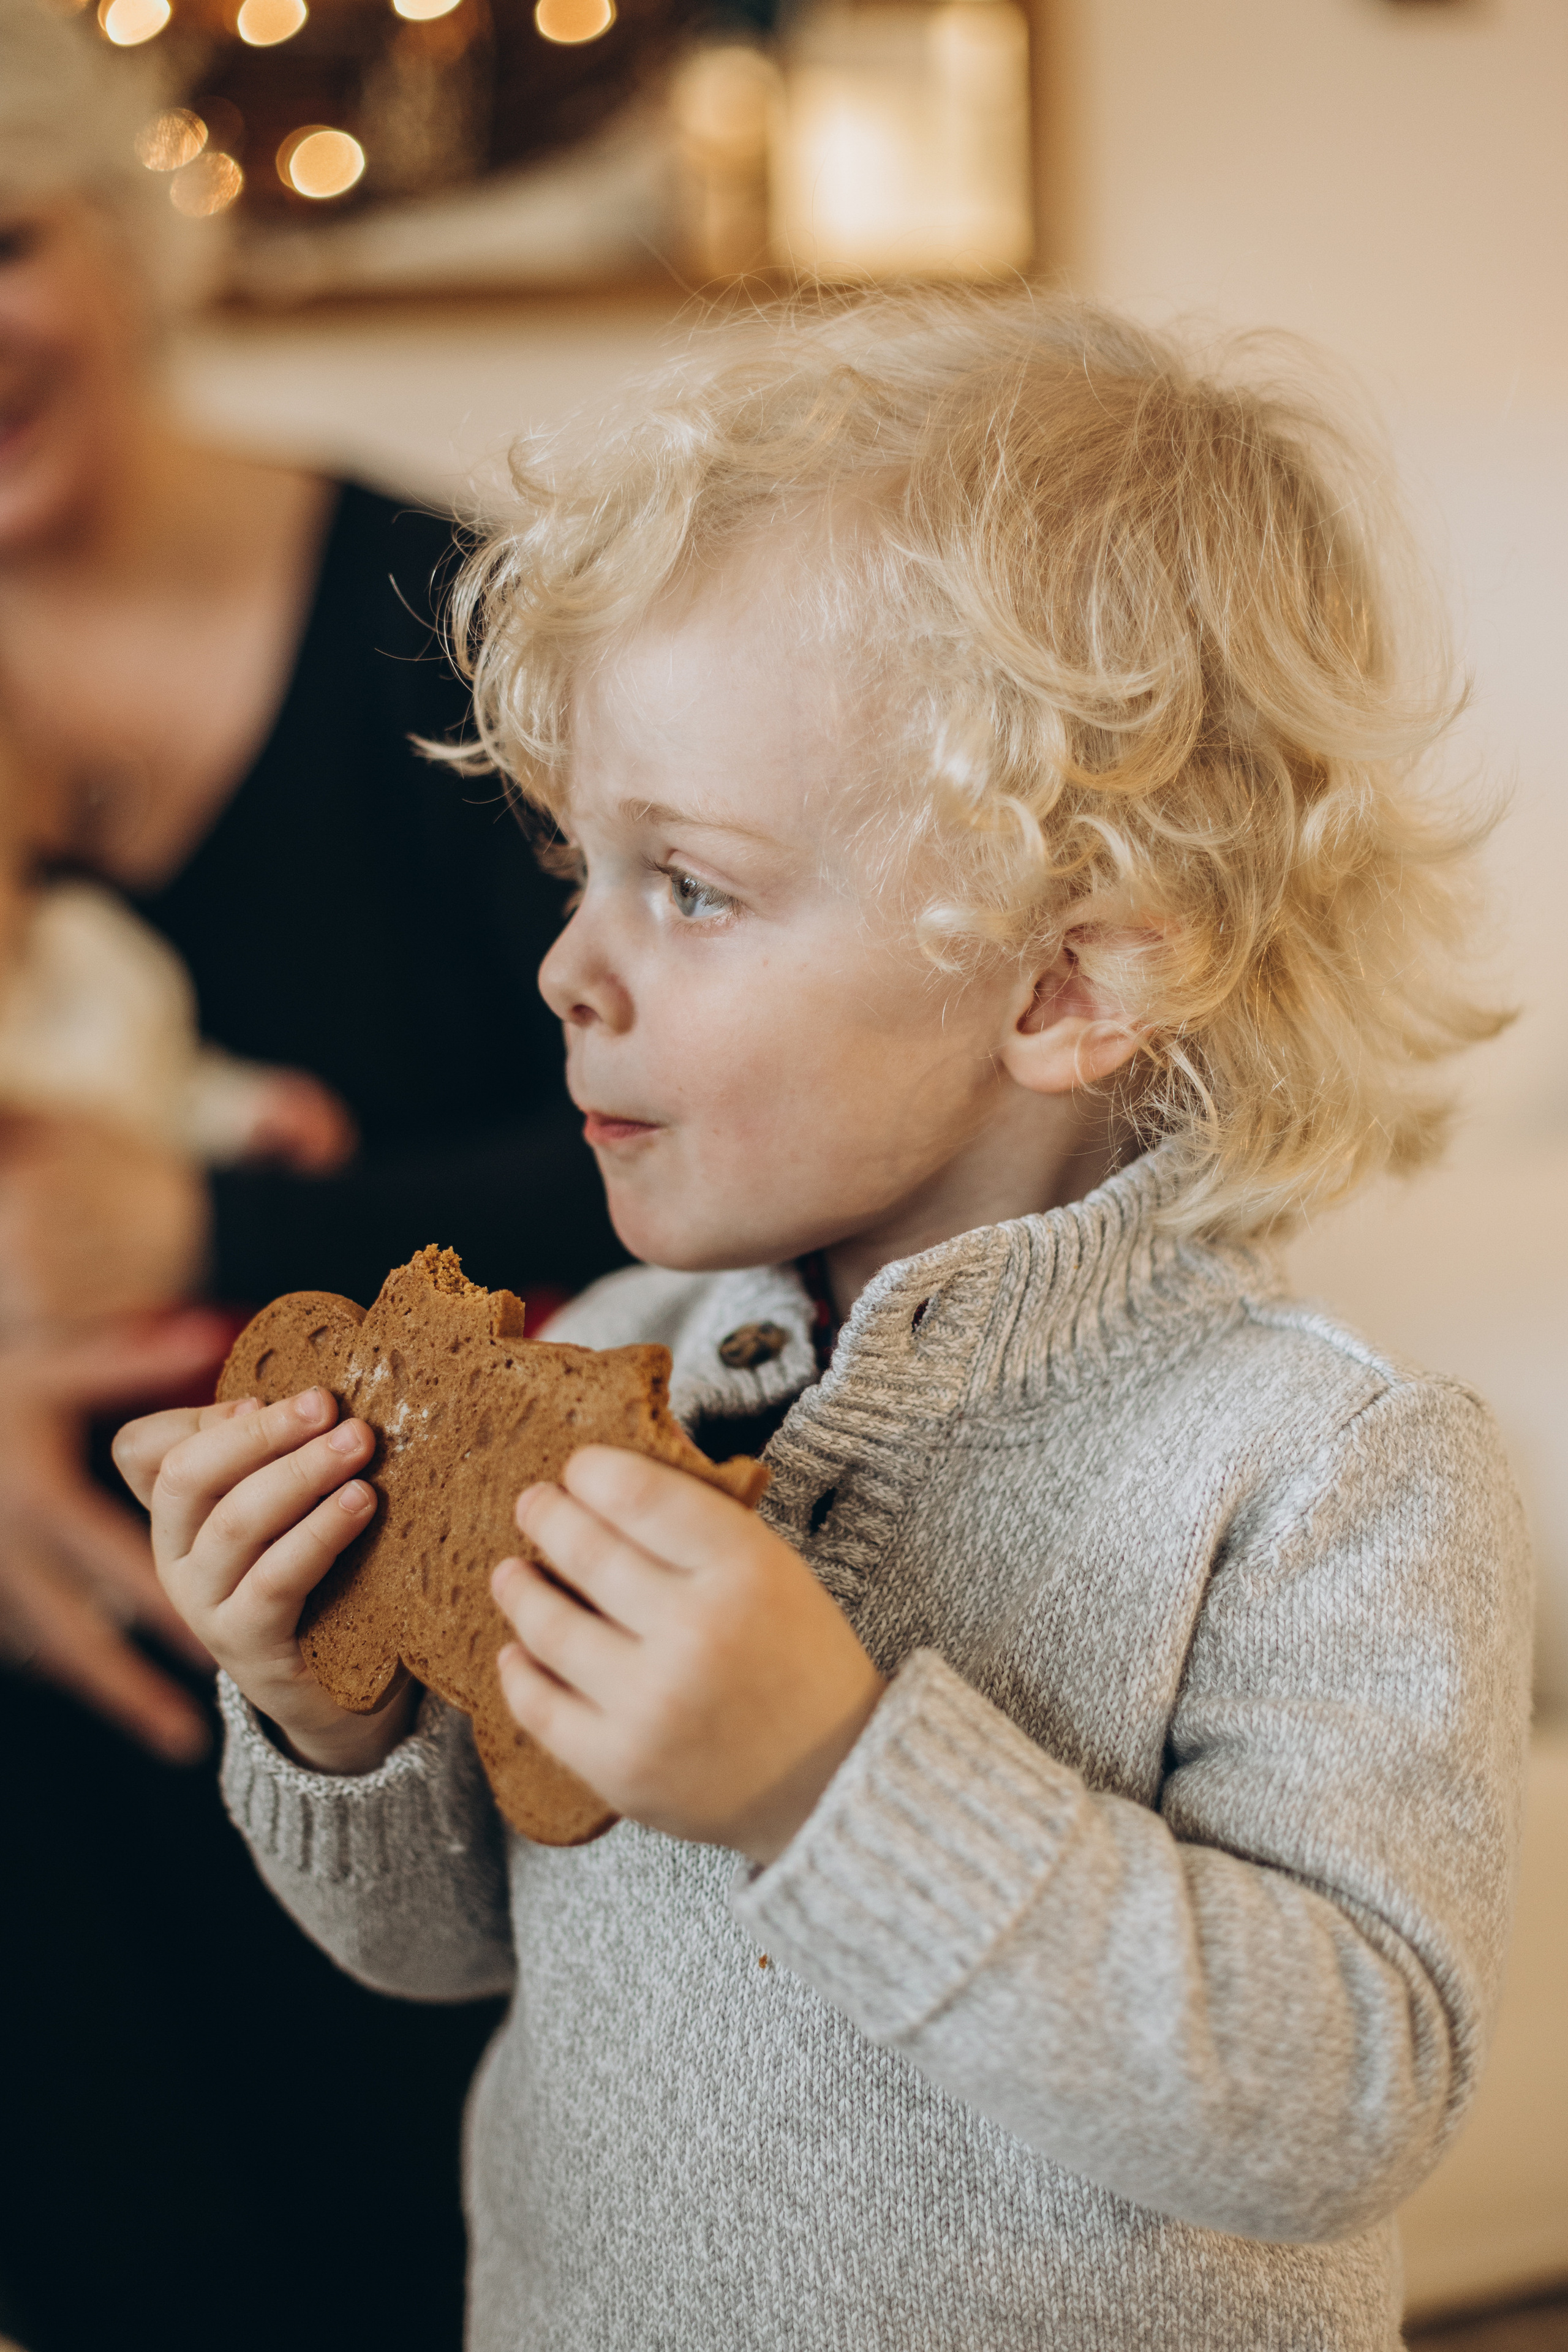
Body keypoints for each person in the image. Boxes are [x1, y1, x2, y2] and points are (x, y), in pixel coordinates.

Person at [118, 290, 1532, 2351]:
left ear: (1066, 982)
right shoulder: (608, 1349)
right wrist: (337, 1717)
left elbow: (1349, 2097)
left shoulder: (1315, 1469)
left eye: (687, 886)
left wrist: (829, 1780)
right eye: (573, 869)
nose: (568, 975)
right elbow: (446, 1954)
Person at [0, 4, 620, 2346]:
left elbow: (698, 1151)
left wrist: (217, 1242)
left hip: (424, 1733)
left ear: (122, 235)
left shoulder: (443, 625)